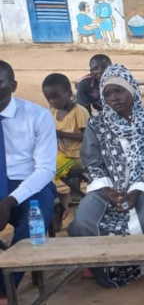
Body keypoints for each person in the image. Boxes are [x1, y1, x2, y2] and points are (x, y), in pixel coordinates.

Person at [68, 64, 144, 287]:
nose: (114, 98)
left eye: (119, 91)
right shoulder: (97, 123)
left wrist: (134, 193)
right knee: (84, 219)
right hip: (105, 187)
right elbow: (92, 161)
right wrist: (108, 191)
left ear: (131, 89)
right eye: (108, 94)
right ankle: (98, 264)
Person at [0, 60, 57, 305]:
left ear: (13, 85)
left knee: (34, 223)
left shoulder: (37, 116)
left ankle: (3, 291)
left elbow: (45, 169)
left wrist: (9, 200)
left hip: (29, 183)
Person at [42, 73, 89, 221]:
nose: (52, 101)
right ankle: (57, 198)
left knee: (51, 170)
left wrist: (61, 134)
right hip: (61, 153)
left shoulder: (79, 112)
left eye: (56, 97)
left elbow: (86, 137)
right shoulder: (54, 111)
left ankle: (63, 199)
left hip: (77, 156)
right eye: (49, 98)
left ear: (69, 93)